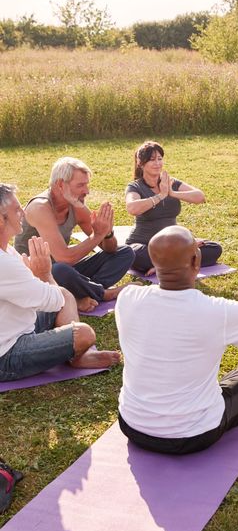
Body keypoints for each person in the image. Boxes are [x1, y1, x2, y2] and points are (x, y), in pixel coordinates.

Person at [115, 225, 238, 455]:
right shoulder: (219, 310)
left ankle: (227, 402)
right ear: (196, 261)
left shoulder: (128, 298)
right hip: (194, 435)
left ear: (152, 262)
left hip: (132, 426)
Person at [0, 183, 120, 383]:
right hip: (6, 356)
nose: (22, 212)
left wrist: (37, 276)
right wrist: (45, 273)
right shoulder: (4, 263)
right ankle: (76, 355)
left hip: (19, 326)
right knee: (84, 334)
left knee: (65, 293)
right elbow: (53, 300)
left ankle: (76, 356)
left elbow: (45, 295)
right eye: (16, 209)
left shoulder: (7, 251)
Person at [14, 157, 135, 312]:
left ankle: (84, 292)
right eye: (81, 185)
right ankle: (103, 293)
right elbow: (65, 257)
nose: (87, 191)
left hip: (65, 271)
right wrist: (98, 235)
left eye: (86, 184)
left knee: (125, 253)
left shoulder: (75, 205)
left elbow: (110, 249)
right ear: (60, 185)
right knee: (60, 269)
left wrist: (107, 233)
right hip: (36, 276)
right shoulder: (40, 207)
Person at [125, 141, 222, 275]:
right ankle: (178, 263)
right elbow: (132, 208)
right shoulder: (135, 186)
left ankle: (163, 266)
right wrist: (160, 196)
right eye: (152, 160)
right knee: (133, 254)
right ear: (141, 163)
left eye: (160, 159)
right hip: (144, 244)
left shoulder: (171, 183)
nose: (157, 163)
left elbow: (200, 197)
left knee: (214, 249)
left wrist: (172, 193)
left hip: (172, 245)